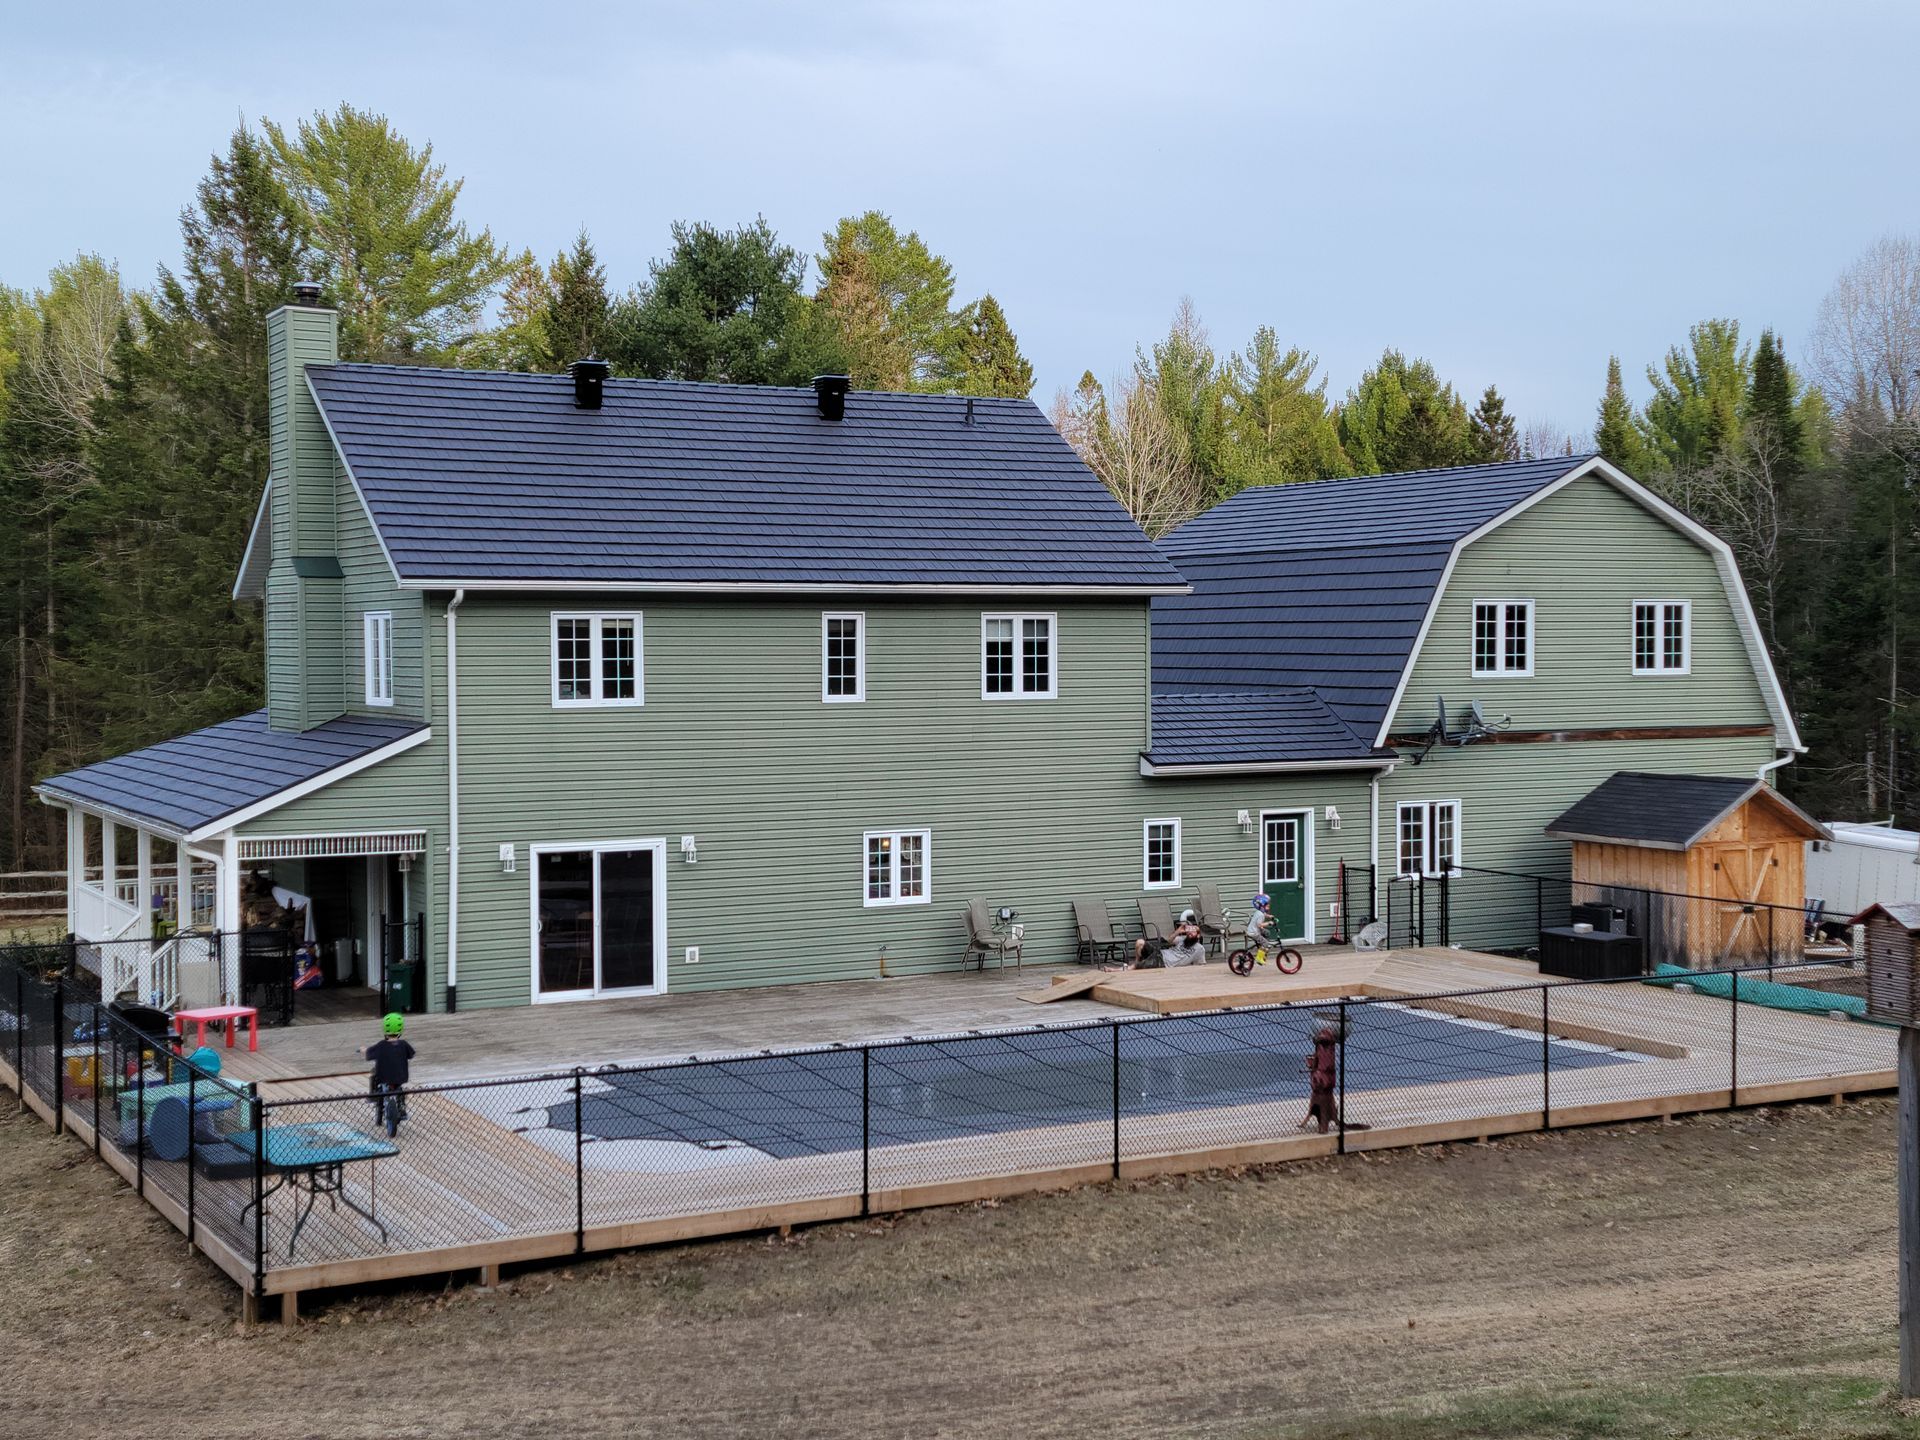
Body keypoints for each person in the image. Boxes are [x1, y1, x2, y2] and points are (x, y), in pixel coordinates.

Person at [1302, 1023, 1369, 1134]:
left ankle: (1324, 1124)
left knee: (1322, 1083)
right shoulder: (1325, 1048)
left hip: (1324, 1082)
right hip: (1322, 1081)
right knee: (1321, 1083)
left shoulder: (1324, 1048)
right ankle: (1326, 1118)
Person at [363, 1012, 415, 1127]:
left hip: (384, 1076)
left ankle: (373, 1095)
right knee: (399, 1089)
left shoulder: (381, 1045)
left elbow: (369, 1055)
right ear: (400, 1029)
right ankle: (401, 1107)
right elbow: (411, 1054)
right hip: (400, 1076)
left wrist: (364, 1050)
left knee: (373, 1074)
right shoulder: (404, 1044)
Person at [1128, 911, 1207, 969]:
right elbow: (1169, 940)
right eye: (1190, 931)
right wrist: (1178, 931)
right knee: (1139, 942)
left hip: (1164, 963)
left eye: (1193, 932)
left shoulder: (1199, 949)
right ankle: (1137, 961)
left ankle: (1122, 969)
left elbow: (1201, 966)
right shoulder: (1182, 939)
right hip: (1160, 953)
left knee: (1134, 967)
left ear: (1198, 935)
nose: (1190, 933)